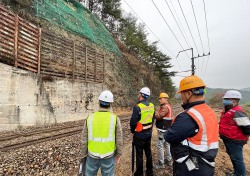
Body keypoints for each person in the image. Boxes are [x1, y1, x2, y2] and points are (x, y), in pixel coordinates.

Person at [164, 75, 219, 176]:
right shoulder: (209, 111)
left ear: (189, 93)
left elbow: (169, 136)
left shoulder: (188, 116)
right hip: (207, 163)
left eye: (182, 94)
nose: (181, 97)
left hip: (192, 167)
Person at [78, 90, 123, 176]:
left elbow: (84, 139)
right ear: (110, 104)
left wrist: (83, 155)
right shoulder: (115, 118)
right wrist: (118, 154)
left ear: (99, 102)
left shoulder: (90, 117)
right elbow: (119, 139)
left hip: (92, 156)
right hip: (108, 156)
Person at [219, 90, 250, 176]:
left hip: (235, 141)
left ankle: (240, 174)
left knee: (237, 159)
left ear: (235, 101)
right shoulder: (229, 110)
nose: (224, 100)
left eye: (226, 99)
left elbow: (247, 128)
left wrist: (245, 137)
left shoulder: (237, 112)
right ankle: (236, 173)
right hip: (229, 139)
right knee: (233, 157)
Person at [130, 87, 155, 176]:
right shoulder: (152, 105)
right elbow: (152, 120)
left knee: (139, 154)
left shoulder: (138, 107)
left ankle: (139, 174)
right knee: (148, 152)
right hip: (148, 133)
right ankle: (150, 171)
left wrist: (133, 130)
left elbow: (133, 122)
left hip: (139, 135)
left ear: (141, 95)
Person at [154, 92, 173, 169]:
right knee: (167, 145)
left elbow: (159, 116)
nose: (159, 100)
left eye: (161, 99)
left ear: (165, 99)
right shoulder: (168, 106)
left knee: (160, 146)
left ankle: (161, 163)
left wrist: (154, 113)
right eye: (159, 99)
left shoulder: (165, 107)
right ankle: (169, 160)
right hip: (167, 129)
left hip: (163, 130)